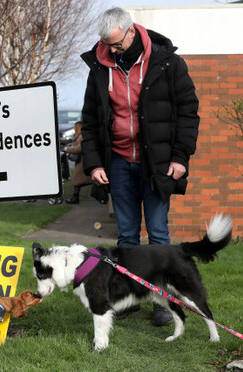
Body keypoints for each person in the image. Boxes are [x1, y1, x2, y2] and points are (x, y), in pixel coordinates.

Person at [80, 8, 200, 326]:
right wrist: (93, 164)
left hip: (157, 163)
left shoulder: (168, 62)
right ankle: (130, 297)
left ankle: (162, 300)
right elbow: (90, 122)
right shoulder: (99, 67)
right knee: (127, 237)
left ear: (131, 32)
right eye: (108, 45)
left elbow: (188, 112)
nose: (113, 50)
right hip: (118, 163)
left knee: (158, 234)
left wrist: (180, 158)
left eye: (117, 44)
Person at [63, 121, 93, 204]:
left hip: (82, 161)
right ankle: (75, 197)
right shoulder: (79, 136)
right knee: (80, 181)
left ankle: (75, 198)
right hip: (81, 161)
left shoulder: (82, 136)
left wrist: (67, 149)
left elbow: (79, 149)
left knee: (78, 180)